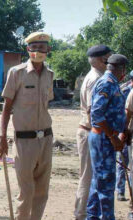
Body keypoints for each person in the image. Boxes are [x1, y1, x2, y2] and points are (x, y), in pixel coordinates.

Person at [0, 32, 54, 220]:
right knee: (26, 192)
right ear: (28, 49)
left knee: (42, 191)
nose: (38, 51)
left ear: (48, 50)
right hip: (24, 141)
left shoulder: (50, 75)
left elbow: (46, 106)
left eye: (42, 47)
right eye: (34, 47)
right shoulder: (17, 73)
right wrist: (2, 138)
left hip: (46, 139)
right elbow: (6, 109)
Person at [86, 54, 128, 220]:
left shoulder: (112, 83)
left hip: (106, 138)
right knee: (106, 184)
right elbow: (96, 114)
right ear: (122, 69)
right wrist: (113, 137)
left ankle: (92, 217)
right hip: (103, 139)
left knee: (98, 184)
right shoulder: (107, 83)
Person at [74, 45, 112, 220]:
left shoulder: (96, 76)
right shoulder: (96, 79)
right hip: (90, 131)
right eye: (107, 57)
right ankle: (81, 215)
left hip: (91, 131)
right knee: (88, 177)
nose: (109, 61)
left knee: (91, 176)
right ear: (98, 59)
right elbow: (93, 111)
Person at [115, 71, 133, 202]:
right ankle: (120, 191)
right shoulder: (125, 90)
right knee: (123, 162)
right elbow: (123, 112)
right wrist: (122, 131)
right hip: (127, 131)